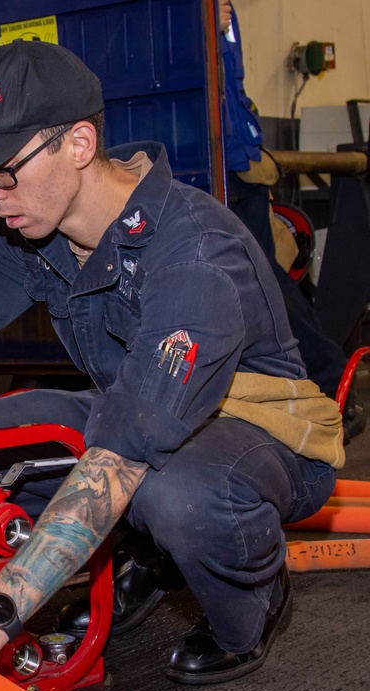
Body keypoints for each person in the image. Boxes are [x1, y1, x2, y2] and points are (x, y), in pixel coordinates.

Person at [0, 38, 344, 691]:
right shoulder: (29, 224)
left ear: (76, 144)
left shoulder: (193, 253)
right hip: (130, 414)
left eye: (2, 171)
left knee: (177, 495)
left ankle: (253, 601)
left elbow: (122, 460)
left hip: (256, 440)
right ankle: (141, 550)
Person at [219, 0, 365, 442]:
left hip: (228, 168)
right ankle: (316, 380)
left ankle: (327, 378)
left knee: (261, 282)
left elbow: (227, 92)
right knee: (257, 281)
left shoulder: (214, 14)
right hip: (228, 162)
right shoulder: (208, 17)